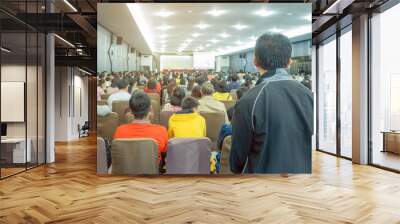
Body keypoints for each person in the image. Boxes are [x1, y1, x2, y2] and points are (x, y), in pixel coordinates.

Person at [230, 32, 313, 174]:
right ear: (289, 61)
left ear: (255, 61)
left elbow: (237, 160)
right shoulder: (309, 95)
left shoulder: (249, 101)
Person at [113, 92, 168, 162]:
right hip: (153, 170)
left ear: (130, 111)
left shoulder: (119, 131)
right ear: (150, 109)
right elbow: (164, 152)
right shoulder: (161, 131)